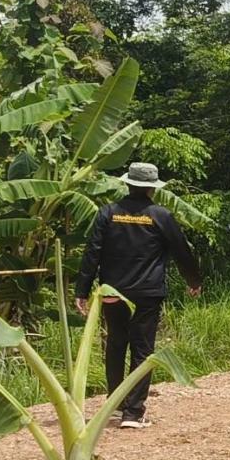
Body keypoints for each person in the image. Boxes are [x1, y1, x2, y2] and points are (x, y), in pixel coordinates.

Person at [75, 162, 202, 429]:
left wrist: (82, 290)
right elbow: (181, 250)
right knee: (142, 349)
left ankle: (116, 403)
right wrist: (193, 280)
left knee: (115, 344)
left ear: (128, 183)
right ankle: (133, 412)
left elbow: (92, 253)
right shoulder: (160, 215)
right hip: (147, 293)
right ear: (151, 189)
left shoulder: (108, 213)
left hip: (113, 292)